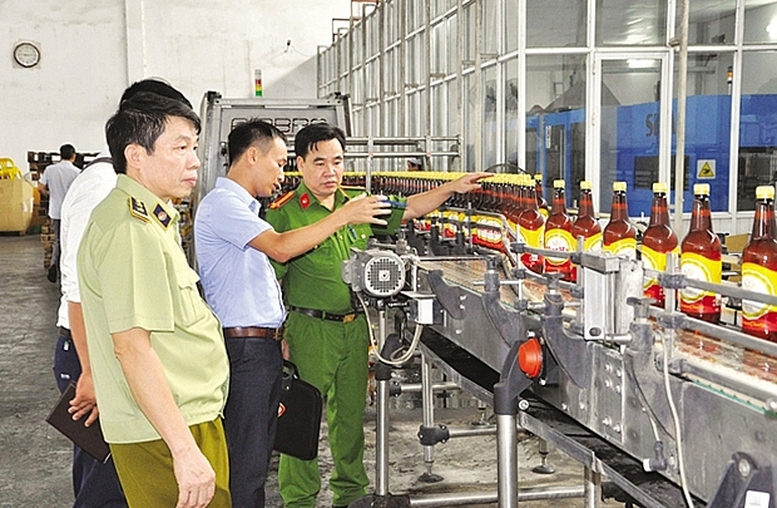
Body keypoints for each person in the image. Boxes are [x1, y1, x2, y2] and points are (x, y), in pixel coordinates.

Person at [265, 122, 489, 508]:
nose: (329, 172)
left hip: (354, 328)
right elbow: (270, 279)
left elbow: (413, 209)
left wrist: (452, 187)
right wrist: (278, 335)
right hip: (308, 329)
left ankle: (349, 493)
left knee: (350, 420)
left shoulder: (359, 204)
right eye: (319, 163)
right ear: (298, 165)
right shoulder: (284, 215)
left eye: (336, 162)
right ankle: (299, 499)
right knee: (300, 418)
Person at [194, 119, 391, 508]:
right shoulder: (226, 206)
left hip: (265, 344)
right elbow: (281, 250)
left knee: (264, 447)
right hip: (246, 349)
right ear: (253, 156)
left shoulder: (245, 208)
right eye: (281, 163)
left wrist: (276, 335)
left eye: (338, 161)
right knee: (250, 459)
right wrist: (343, 217)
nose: (281, 174)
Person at [77, 92, 231, 508]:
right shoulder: (132, 229)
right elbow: (131, 346)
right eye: (180, 148)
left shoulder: (152, 219)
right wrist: (183, 450)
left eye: (194, 148)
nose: (194, 160)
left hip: (177, 419)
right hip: (164, 428)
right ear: (136, 155)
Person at [54, 78, 194, 508]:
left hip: (107, 350)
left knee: (119, 474)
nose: (188, 158)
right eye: (177, 144)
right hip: (93, 352)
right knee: (110, 479)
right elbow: (79, 292)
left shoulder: (129, 189)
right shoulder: (104, 190)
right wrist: (91, 372)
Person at [39, 144, 80, 282]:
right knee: (70, 241)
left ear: (60, 155)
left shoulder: (50, 170)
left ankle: (53, 265)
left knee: (57, 240)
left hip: (55, 211)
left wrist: (49, 194)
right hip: (71, 212)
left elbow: (40, 187)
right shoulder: (76, 172)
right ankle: (67, 270)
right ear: (73, 156)